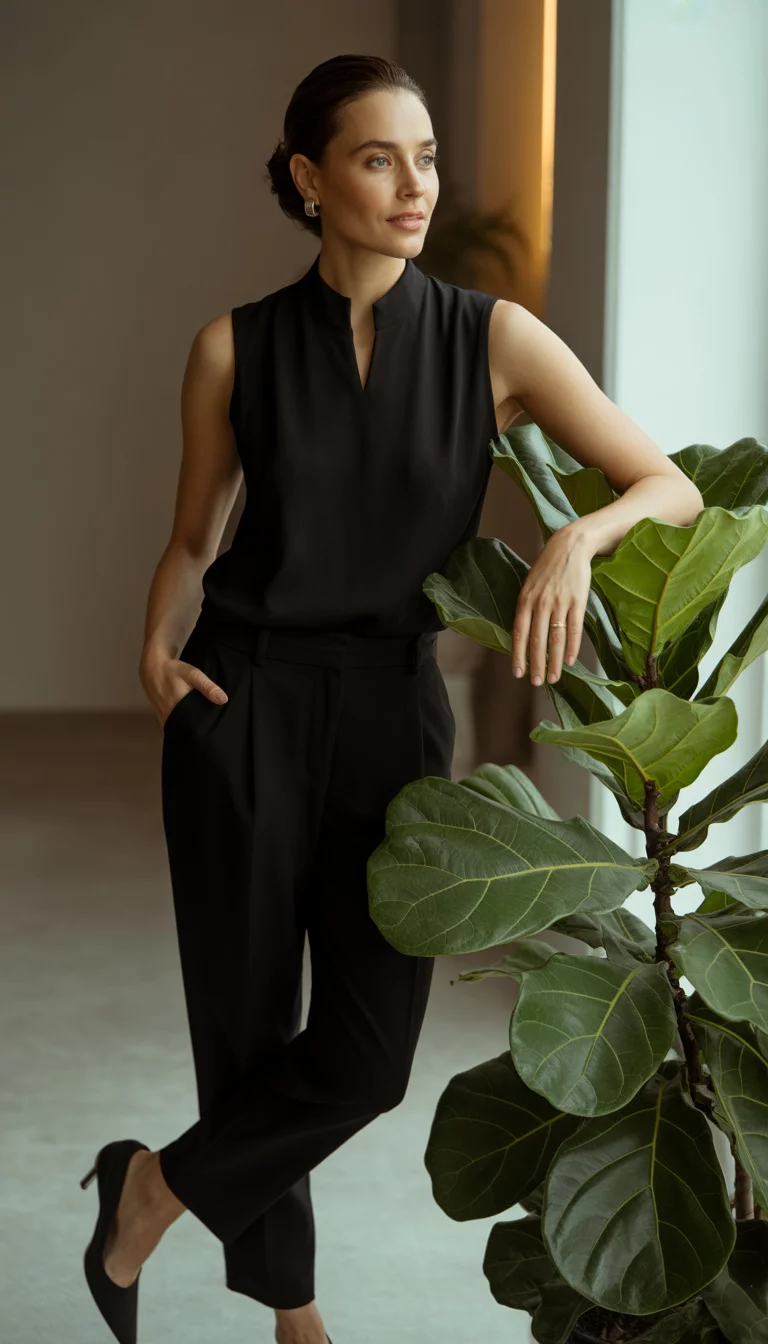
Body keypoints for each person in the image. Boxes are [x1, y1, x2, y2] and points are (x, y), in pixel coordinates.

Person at [81, 52, 703, 1344]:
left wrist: (577, 539)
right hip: (241, 702)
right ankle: (296, 1317)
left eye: (426, 158)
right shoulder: (231, 348)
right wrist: (154, 650)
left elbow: (668, 486)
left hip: (395, 715)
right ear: (310, 180)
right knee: (244, 1032)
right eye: (380, 158)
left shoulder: (495, 338)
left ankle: (150, 1190)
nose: (416, 184)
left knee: (363, 1055)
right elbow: (194, 539)